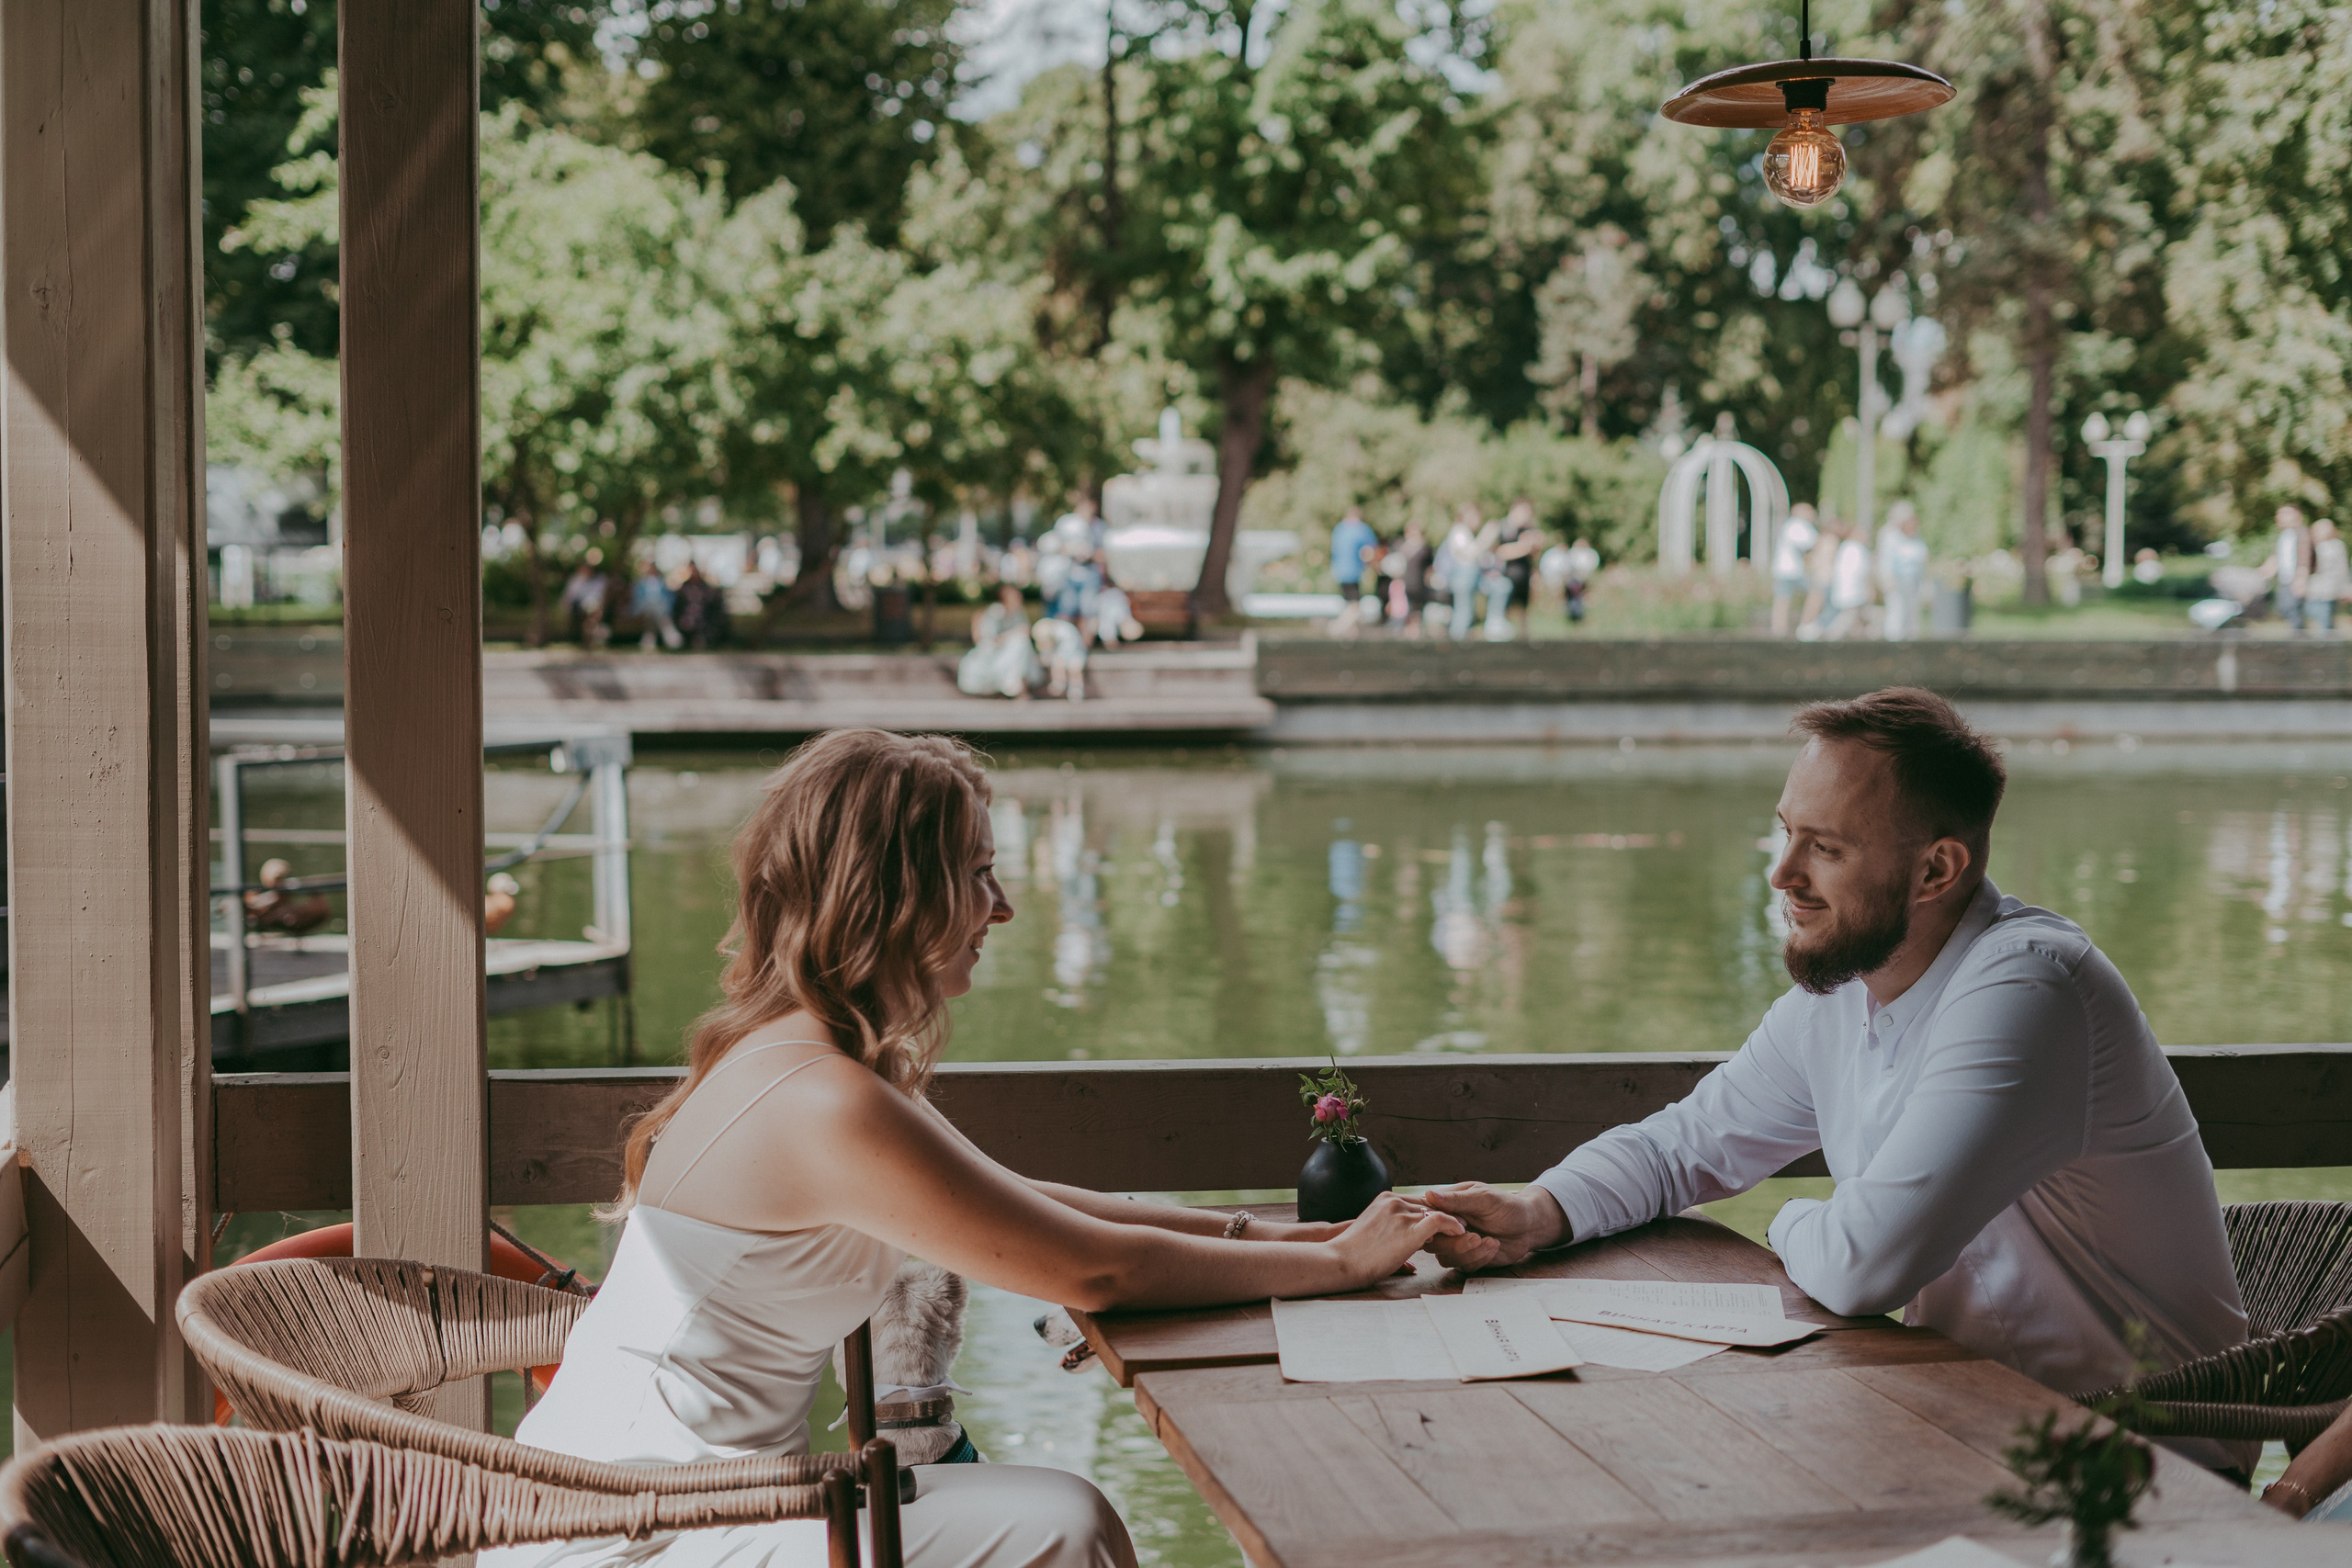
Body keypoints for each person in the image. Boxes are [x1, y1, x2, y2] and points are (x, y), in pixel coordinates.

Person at [481, 732, 1462, 1568]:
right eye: (979, 874)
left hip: (661, 1496)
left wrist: (1287, 1238)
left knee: (1054, 1516)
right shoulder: (822, 1097)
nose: (1003, 909)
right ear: (895, 893)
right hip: (639, 1530)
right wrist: (1336, 1264)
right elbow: (1096, 1266)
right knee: (1059, 1524)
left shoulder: (802, 1053)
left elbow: (1048, 1204)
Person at [1420, 690, 2253, 1473]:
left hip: (2140, 1457)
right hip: (1966, 1415)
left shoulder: (2030, 990)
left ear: (1936, 870)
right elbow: (1683, 1146)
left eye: (1825, 847)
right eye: (1785, 832)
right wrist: (1539, 1211)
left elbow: (1861, 1265)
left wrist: (1780, 1214)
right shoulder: (1849, 989)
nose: (1783, 873)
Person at [956, 585, 1038, 699]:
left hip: (1013, 653)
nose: (1020, 599)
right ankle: (1016, 688)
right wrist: (1015, 633)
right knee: (1020, 642)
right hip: (992, 654)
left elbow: (1026, 633)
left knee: (1022, 643)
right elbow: (989, 640)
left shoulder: (1019, 613)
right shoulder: (996, 611)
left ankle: (1019, 688)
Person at [1877, 503, 1929, 642]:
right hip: (1897, 581)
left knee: (1913, 614)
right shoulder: (1890, 536)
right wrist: (1887, 579)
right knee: (1897, 612)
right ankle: (1894, 643)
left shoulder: (1917, 538)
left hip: (1913, 581)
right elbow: (1885, 560)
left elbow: (1921, 559)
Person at [1771, 503, 1820, 637]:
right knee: (1815, 593)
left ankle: (1779, 632)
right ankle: (1804, 626)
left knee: (1782, 600)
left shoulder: (1791, 525)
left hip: (1786, 571)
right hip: (1792, 572)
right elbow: (1814, 544)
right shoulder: (1798, 525)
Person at [1495, 499, 1543, 637]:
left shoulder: (1528, 530)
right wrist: (1523, 548)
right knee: (1506, 608)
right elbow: (1500, 552)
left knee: (1523, 609)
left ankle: (1524, 638)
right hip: (1507, 575)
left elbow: (1533, 555)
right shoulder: (1503, 528)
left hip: (1524, 574)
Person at [1822, 523, 1875, 640]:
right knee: (1848, 618)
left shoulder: (1846, 547)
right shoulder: (1857, 549)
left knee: (1860, 620)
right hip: (1854, 592)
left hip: (1845, 591)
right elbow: (1862, 572)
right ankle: (1829, 638)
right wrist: (1869, 589)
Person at [2269, 504, 2312, 627]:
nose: (2280, 517)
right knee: (2285, 608)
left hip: (2295, 580)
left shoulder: (2302, 533)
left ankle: (2300, 640)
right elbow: (2278, 557)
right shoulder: (2284, 535)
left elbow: (2305, 557)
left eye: (2285, 514)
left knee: (2292, 610)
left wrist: (2301, 579)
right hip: (2285, 580)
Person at [1329, 504, 1377, 615]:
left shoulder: (1339, 529)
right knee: (1354, 602)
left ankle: (1350, 628)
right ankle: (1345, 626)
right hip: (1354, 570)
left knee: (1347, 599)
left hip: (1340, 571)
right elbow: (1370, 549)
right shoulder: (1361, 529)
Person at [2306, 519, 2346, 634]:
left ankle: (2327, 643)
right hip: (2314, 588)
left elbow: (2342, 569)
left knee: (2325, 618)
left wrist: (2344, 588)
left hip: (2329, 588)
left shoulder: (2337, 545)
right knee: (2314, 612)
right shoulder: (2312, 545)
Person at [632, 561, 683, 651]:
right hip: (645, 606)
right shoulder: (641, 583)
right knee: (652, 607)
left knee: (656, 609)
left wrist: (668, 608)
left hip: (660, 607)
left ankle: (649, 638)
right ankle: (670, 633)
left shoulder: (662, 582)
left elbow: (669, 598)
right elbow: (637, 599)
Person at [674, 562, 728, 649]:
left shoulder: (704, 587)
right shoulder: (684, 587)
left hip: (703, 615)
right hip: (687, 616)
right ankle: (692, 639)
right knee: (687, 621)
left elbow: (711, 601)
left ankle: (699, 639)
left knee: (703, 620)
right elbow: (679, 605)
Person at [562, 558, 610, 649]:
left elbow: (600, 596)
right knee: (588, 618)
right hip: (578, 608)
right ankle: (588, 640)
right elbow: (569, 597)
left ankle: (591, 639)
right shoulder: (576, 581)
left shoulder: (600, 580)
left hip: (595, 607)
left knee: (593, 615)